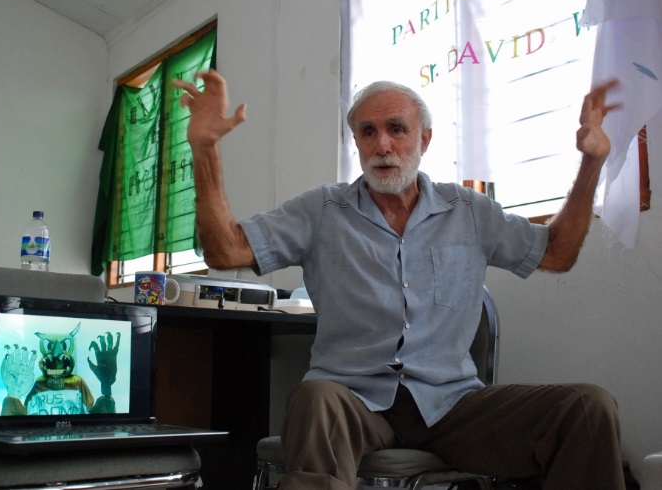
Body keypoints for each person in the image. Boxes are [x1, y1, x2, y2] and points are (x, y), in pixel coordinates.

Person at [174, 70, 624, 490]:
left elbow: (558, 253)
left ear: (424, 138)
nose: (382, 145)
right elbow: (225, 251)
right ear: (356, 142)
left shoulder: (467, 210)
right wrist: (205, 150)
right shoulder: (322, 210)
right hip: (353, 401)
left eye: (396, 128)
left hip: (453, 406)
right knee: (315, 399)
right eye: (368, 133)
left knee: (587, 408)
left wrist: (591, 163)